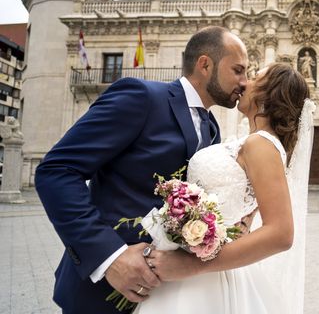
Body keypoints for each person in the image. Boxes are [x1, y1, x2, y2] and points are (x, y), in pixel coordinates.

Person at [35, 26, 249, 313]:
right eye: (238, 70)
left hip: (164, 296)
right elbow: (56, 170)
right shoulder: (142, 96)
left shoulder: (212, 130)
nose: (245, 82)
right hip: (100, 293)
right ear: (205, 64)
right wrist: (110, 257)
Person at [136, 63, 314, 314]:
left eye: (254, 78)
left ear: (269, 93)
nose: (244, 83)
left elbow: (281, 234)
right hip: (202, 263)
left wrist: (192, 265)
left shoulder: (261, 144)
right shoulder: (253, 143)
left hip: (204, 274)